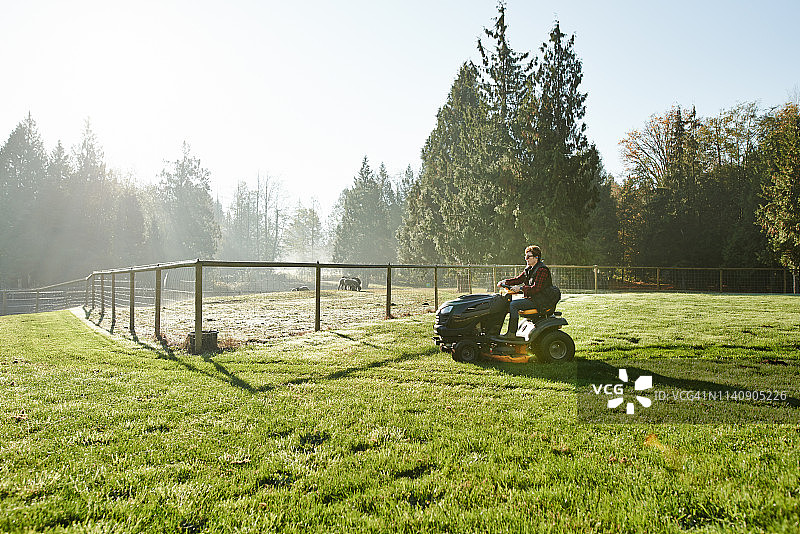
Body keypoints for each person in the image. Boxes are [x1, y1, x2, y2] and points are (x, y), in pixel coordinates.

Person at [497, 245, 560, 338]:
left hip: (540, 301)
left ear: (536, 257)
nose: (526, 259)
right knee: (505, 303)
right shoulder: (529, 268)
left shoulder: (542, 270)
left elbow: (536, 288)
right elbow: (518, 279)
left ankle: (511, 334)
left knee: (513, 305)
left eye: (528, 256)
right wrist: (505, 282)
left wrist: (521, 289)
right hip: (534, 299)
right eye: (525, 257)